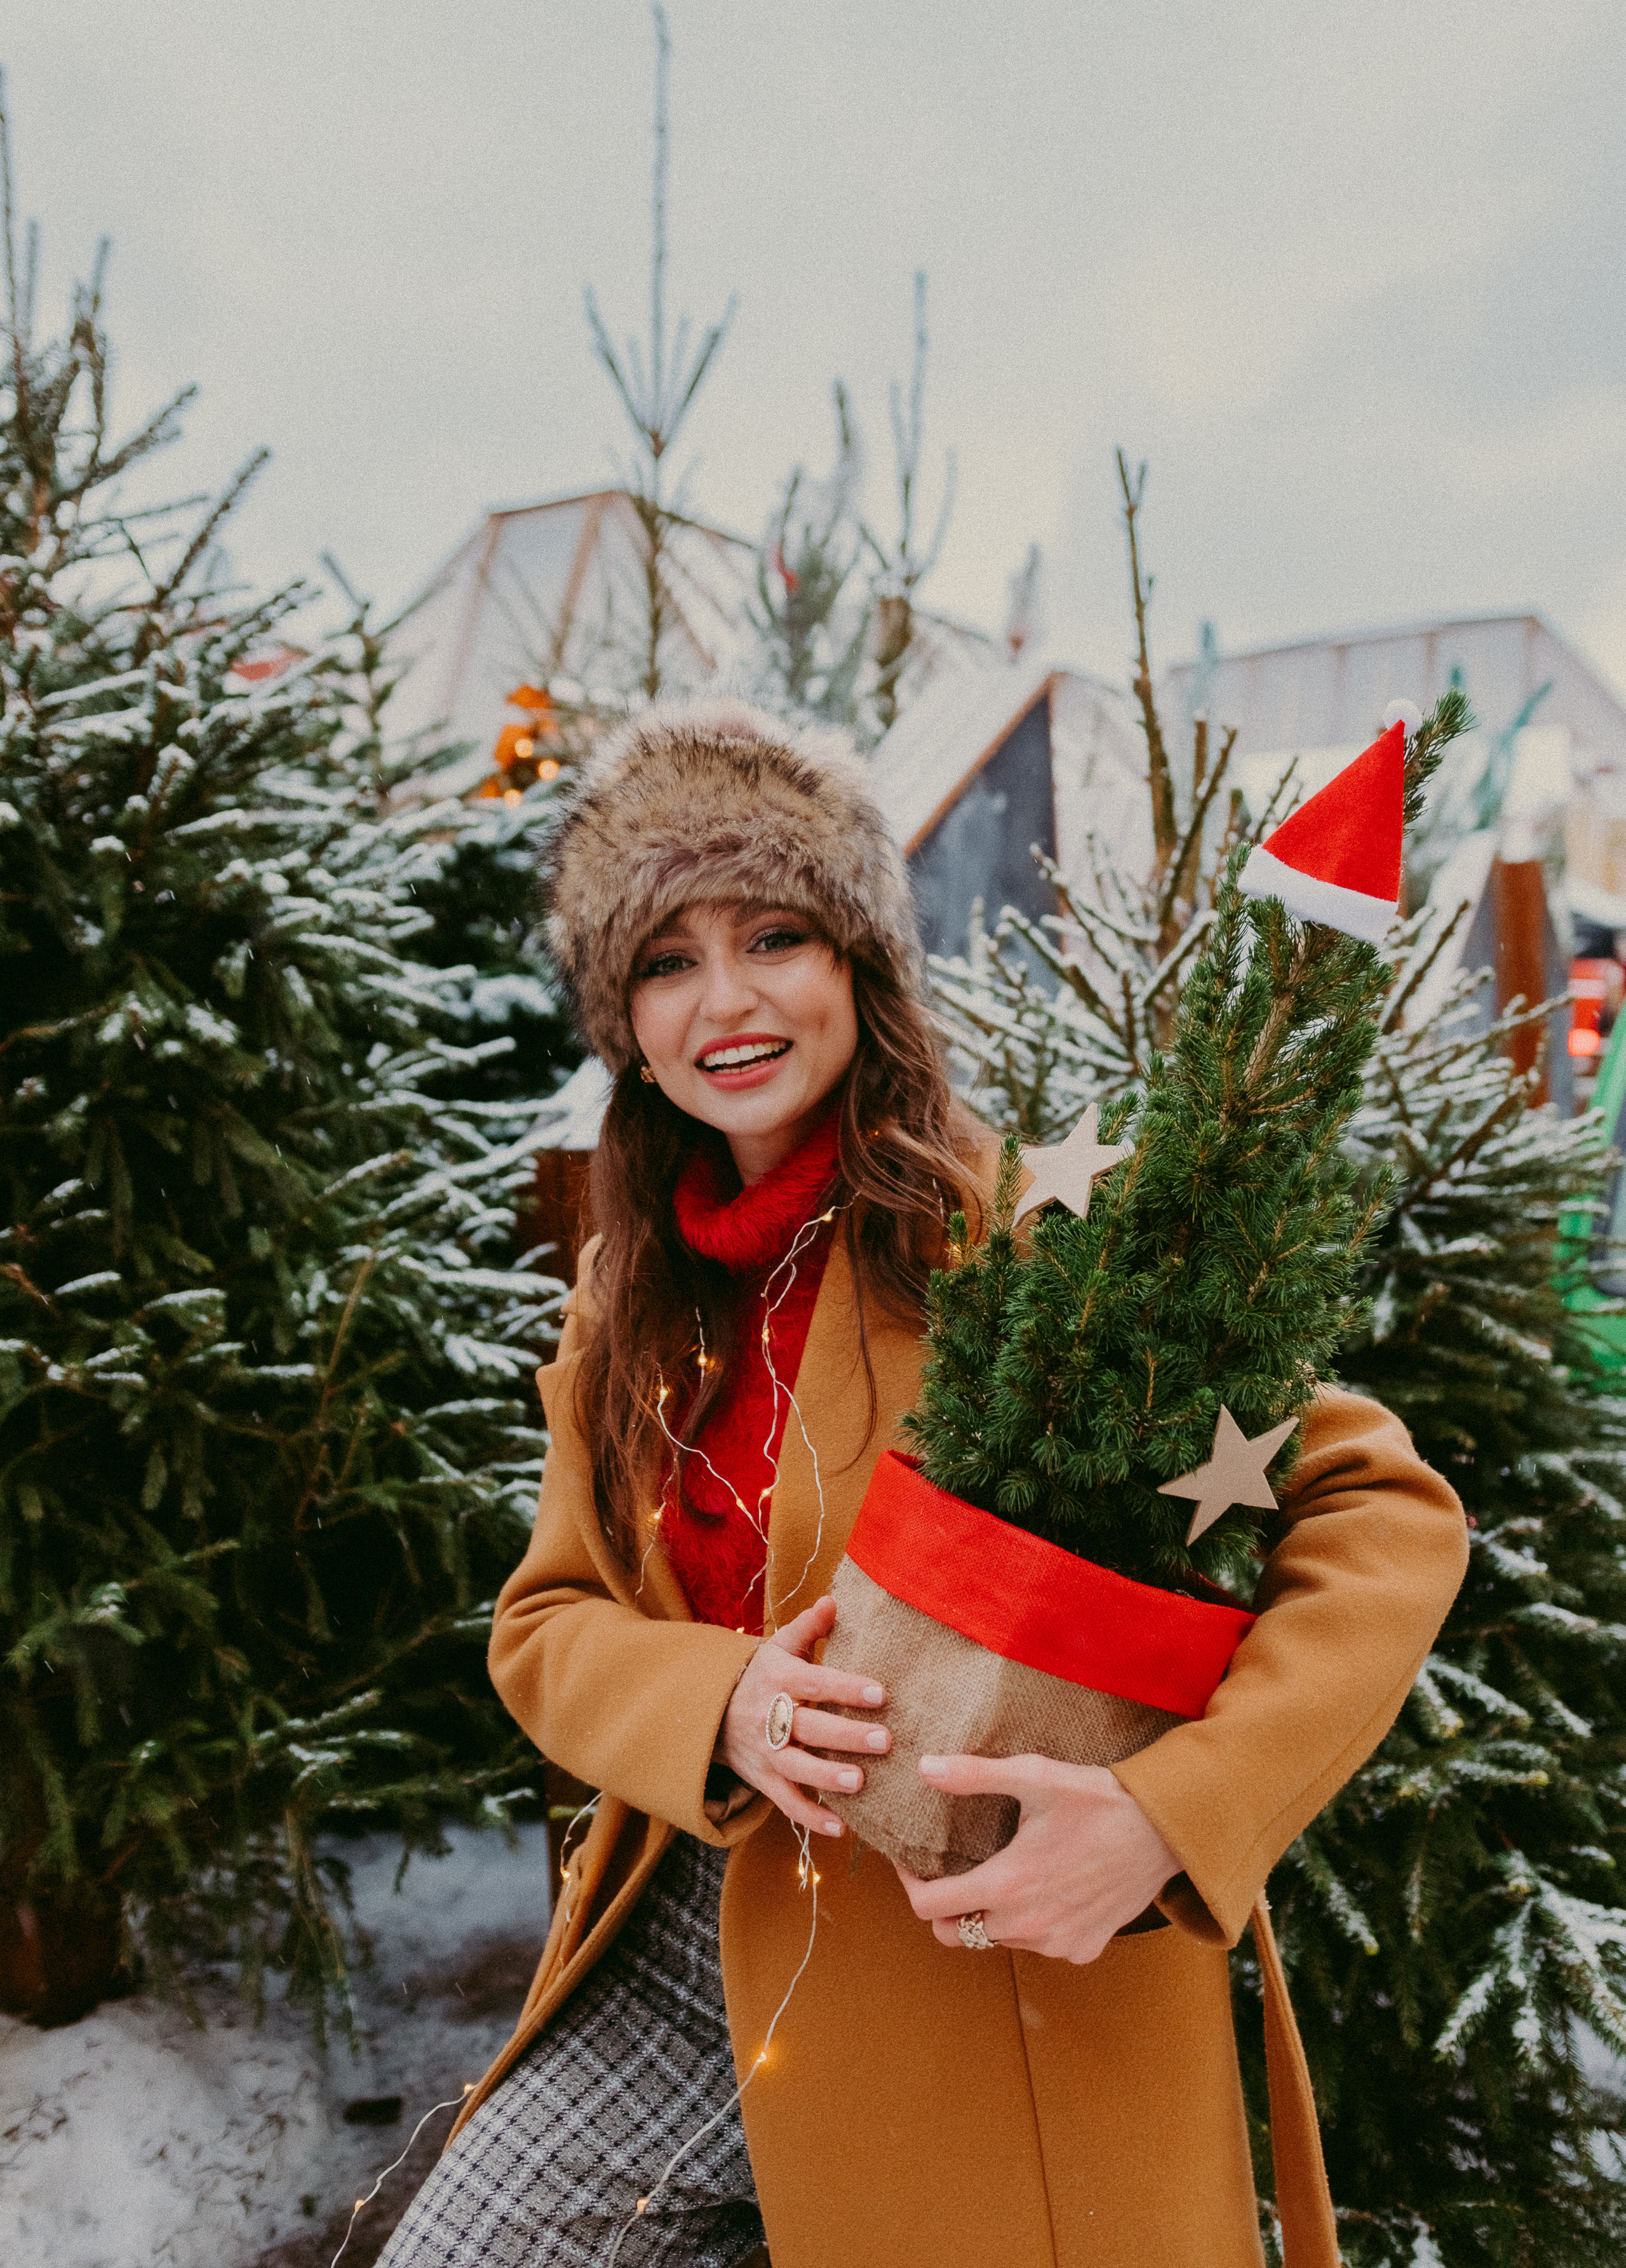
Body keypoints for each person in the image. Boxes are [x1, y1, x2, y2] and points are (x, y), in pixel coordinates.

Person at [378, 701, 1468, 2268]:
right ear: (621, 1020)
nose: (726, 1001)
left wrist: (1168, 1820)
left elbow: (1380, 1509)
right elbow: (547, 1619)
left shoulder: (1018, 1236)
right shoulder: (630, 1291)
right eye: (665, 961)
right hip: (693, 1945)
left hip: (974, 1985)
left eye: (772, 936)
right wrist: (718, 1703)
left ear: (861, 966)